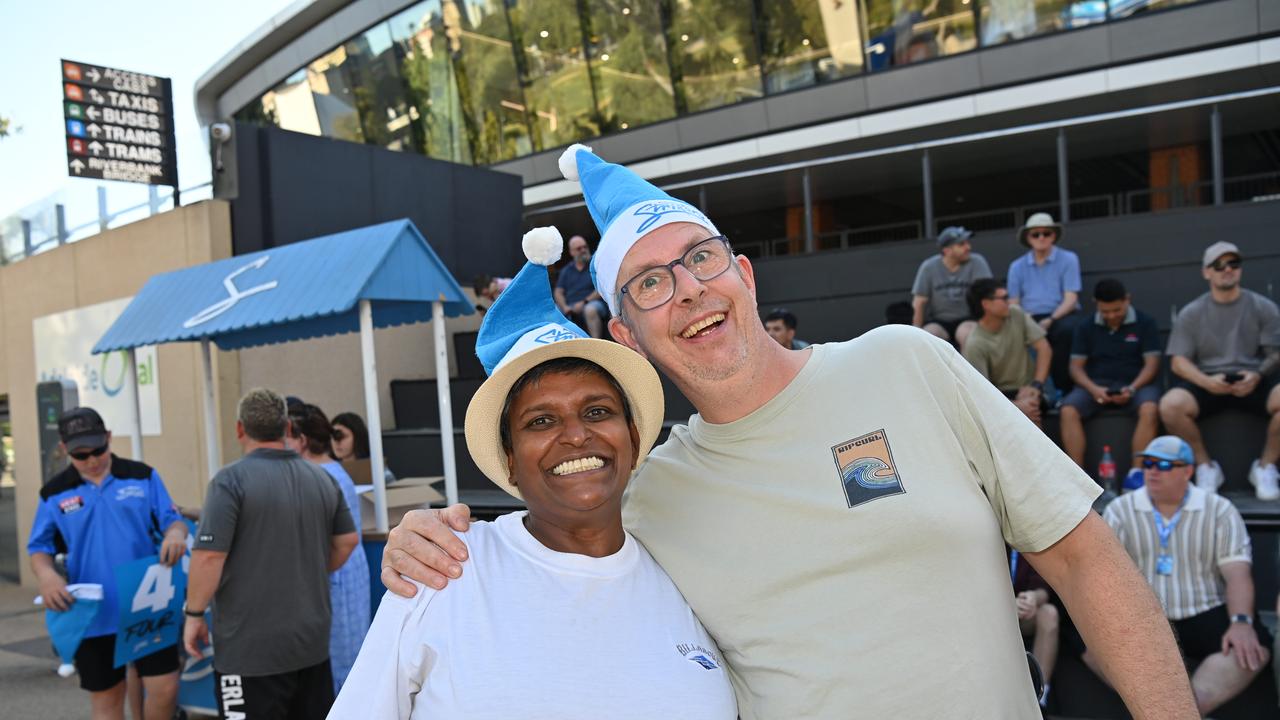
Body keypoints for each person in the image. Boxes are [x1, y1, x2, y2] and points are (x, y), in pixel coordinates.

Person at [379, 144, 1197, 718]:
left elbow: (1085, 559)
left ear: (744, 273)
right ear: (627, 336)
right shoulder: (650, 491)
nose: (689, 292)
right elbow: (544, 543)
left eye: (701, 260)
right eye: (651, 284)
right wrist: (429, 539)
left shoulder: (907, 363)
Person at [331, 228, 736, 718]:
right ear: (508, 460)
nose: (575, 435)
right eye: (540, 421)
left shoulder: (688, 578)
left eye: (597, 411)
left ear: (632, 438)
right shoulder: (442, 571)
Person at [184, 388, 360, 719]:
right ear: (287, 428)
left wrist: (194, 615)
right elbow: (348, 539)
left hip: (248, 652)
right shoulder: (321, 478)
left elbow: (208, 557)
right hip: (310, 645)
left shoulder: (229, 481)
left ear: (240, 429)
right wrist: (310, 569)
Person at [1094, 435, 1272, 715]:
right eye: (1147, 463)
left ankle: (1188, 709)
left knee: (1253, 642)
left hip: (1205, 611)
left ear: (1188, 471)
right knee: (1083, 634)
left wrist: (1240, 621)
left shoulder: (1219, 510)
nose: (1151, 470)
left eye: (1163, 465)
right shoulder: (1121, 509)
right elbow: (1103, 575)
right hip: (1144, 616)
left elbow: (1237, 573)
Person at [27, 407, 186, 720]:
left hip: (145, 602)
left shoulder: (142, 476)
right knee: (108, 699)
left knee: (165, 686)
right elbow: (39, 548)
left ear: (109, 438)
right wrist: (46, 576)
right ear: (64, 449)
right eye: (80, 455)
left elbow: (173, 520)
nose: (92, 460)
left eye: (98, 449)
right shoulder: (54, 494)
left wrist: (176, 536)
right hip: (93, 611)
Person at [1159, 241, 1280, 500]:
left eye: (1233, 264)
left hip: (1254, 379)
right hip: (1208, 382)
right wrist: (1206, 381)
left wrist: (1258, 374)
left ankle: (1266, 467)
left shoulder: (1262, 306)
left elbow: (1276, 352)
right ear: (1206, 272)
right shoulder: (1192, 312)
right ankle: (1205, 467)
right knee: (1170, 405)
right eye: (1219, 265)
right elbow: (1178, 361)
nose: (1227, 270)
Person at [288, 403, 370, 695]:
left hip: (337, 577)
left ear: (302, 440)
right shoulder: (330, 470)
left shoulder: (320, 476)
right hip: (346, 573)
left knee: (341, 667)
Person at [1059, 278, 1163, 486]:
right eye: (1106, 311)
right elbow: (1076, 367)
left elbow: (1152, 364)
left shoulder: (1146, 323)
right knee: (1067, 409)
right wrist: (1094, 389)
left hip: (1137, 384)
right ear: (1096, 303)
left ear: (1127, 300)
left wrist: (1133, 388)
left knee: (1150, 409)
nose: (1112, 316)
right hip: (1095, 385)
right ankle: (1078, 478)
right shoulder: (1085, 326)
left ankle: (1137, 474)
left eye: (1117, 310)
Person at [1008, 212, 1084, 395]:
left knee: (1067, 331)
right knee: (1014, 333)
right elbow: (1013, 303)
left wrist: (1050, 319)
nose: (1041, 237)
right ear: (1028, 238)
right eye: (1036, 234)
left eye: (1046, 233)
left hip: (1061, 314)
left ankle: (1064, 391)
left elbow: (1071, 299)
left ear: (1054, 236)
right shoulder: (1016, 266)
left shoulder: (1069, 259)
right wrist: (1027, 321)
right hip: (1028, 317)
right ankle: (1029, 391)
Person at [963, 278, 1052, 428]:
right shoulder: (975, 344)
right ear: (986, 304)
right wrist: (1016, 406)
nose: (1009, 302)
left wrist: (1036, 386)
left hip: (1030, 389)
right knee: (1029, 410)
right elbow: (982, 395)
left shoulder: (1016, 314)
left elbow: (1044, 348)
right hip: (1000, 397)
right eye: (1004, 298)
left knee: (1031, 405)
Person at [910, 225, 991, 350]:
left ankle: (967, 370)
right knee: (928, 337)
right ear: (947, 250)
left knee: (969, 335)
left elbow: (988, 295)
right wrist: (916, 331)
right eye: (961, 244)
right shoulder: (929, 267)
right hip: (938, 321)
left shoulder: (977, 262)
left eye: (967, 243)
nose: (968, 247)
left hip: (968, 318)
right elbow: (919, 302)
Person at [1010, 547, 1058, 708]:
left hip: (1023, 616)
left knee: (1049, 613)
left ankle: (1039, 700)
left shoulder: (1029, 543)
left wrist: (1032, 598)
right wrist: (1008, 605)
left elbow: (1043, 590)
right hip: (994, 616)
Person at [554, 234, 608, 338]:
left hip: (593, 303)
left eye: (585, 247)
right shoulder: (566, 270)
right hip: (570, 306)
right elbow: (558, 291)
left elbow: (601, 288)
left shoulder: (595, 265)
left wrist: (584, 302)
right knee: (553, 310)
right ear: (572, 252)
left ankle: (596, 346)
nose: (583, 250)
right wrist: (564, 307)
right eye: (579, 248)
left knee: (590, 309)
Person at [332, 411, 396, 485]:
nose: (336, 442)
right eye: (333, 436)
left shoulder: (376, 470)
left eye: (341, 436)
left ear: (357, 437)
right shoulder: (328, 471)